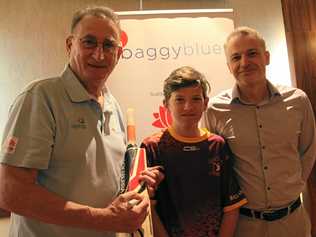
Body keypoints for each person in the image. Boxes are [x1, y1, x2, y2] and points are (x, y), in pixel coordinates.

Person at [0, 6, 163, 237]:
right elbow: (11, 192)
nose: (99, 54)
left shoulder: (112, 105)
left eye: (108, 45)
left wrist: (138, 184)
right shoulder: (40, 99)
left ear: (119, 54)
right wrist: (103, 219)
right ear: (70, 45)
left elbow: (103, 182)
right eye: (89, 42)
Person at [202, 26, 316, 237]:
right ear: (229, 66)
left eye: (252, 53)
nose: (245, 63)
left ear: (266, 57)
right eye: (236, 57)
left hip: (293, 223)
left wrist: (292, 186)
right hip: (244, 227)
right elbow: (214, 166)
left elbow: (308, 152)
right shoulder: (214, 110)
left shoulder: (298, 101)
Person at [141, 66, 247, 237]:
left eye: (196, 99)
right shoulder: (152, 147)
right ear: (166, 104)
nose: (188, 107)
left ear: (205, 103)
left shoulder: (217, 146)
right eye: (179, 100)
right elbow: (148, 208)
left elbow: (231, 207)